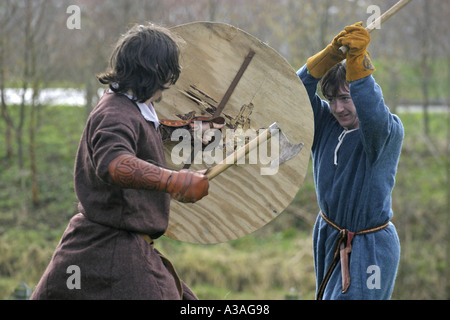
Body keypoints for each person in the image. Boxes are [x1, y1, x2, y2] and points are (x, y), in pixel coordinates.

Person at [31, 23, 219, 300]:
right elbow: (115, 163)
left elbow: (142, 133)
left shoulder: (133, 108)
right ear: (157, 71)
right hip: (108, 252)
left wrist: (189, 133)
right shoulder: (114, 113)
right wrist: (176, 180)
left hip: (119, 247)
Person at [297, 22, 404, 299]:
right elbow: (295, 93)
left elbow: (371, 109)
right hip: (328, 236)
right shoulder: (325, 124)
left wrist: (359, 66)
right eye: (331, 99)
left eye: (345, 98)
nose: (338, 108)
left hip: (370, 247)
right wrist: (330, 55)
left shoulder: (385, 133)